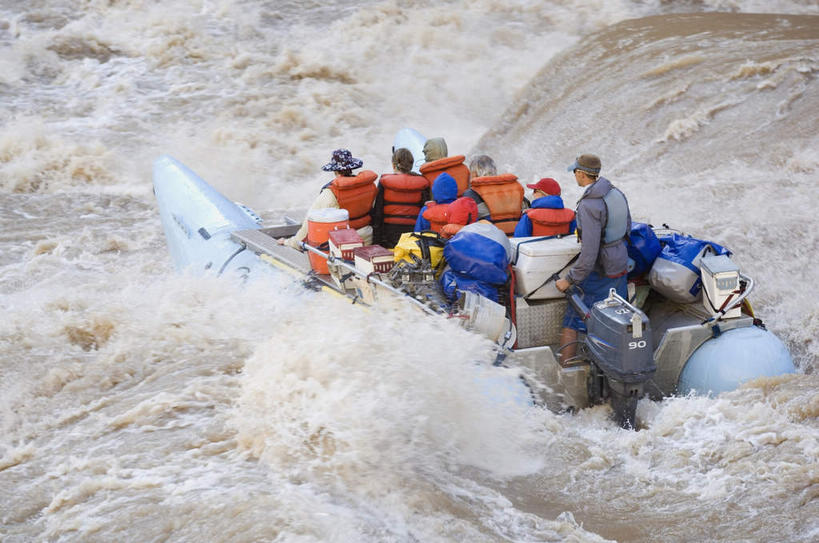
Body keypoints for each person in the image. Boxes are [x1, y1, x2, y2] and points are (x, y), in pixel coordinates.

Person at [555, 154, 632, 363]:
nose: (574, 176)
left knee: (572, 319)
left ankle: (566, 371)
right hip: (620, 264)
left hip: (601, 270)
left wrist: (569, 280)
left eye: (575, 172)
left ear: (581, 174)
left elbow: (589, 254)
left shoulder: (589, 205)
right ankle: (612, 364)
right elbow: (627, 228)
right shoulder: (616, 193)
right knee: (615, 319)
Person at [279, 149, 377, 250]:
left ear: (334, 170)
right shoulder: (370, 186)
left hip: (343, 244)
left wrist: (289, 242)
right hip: (367, 238)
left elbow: (307, 226)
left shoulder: (330, 193)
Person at [371, 148, 430, 248]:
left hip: (389, 237)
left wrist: (376, 243)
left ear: (394, 165)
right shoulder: (423, 183)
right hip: (413, 235)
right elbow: (425, 213)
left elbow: (378, 214)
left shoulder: (384, 182)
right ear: (411, 166)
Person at [461, 154, 525, 235]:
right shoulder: (512, 189)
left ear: (474, 174)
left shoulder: (470, 194)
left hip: (493, 240)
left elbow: (465, 221)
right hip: (516, 238)